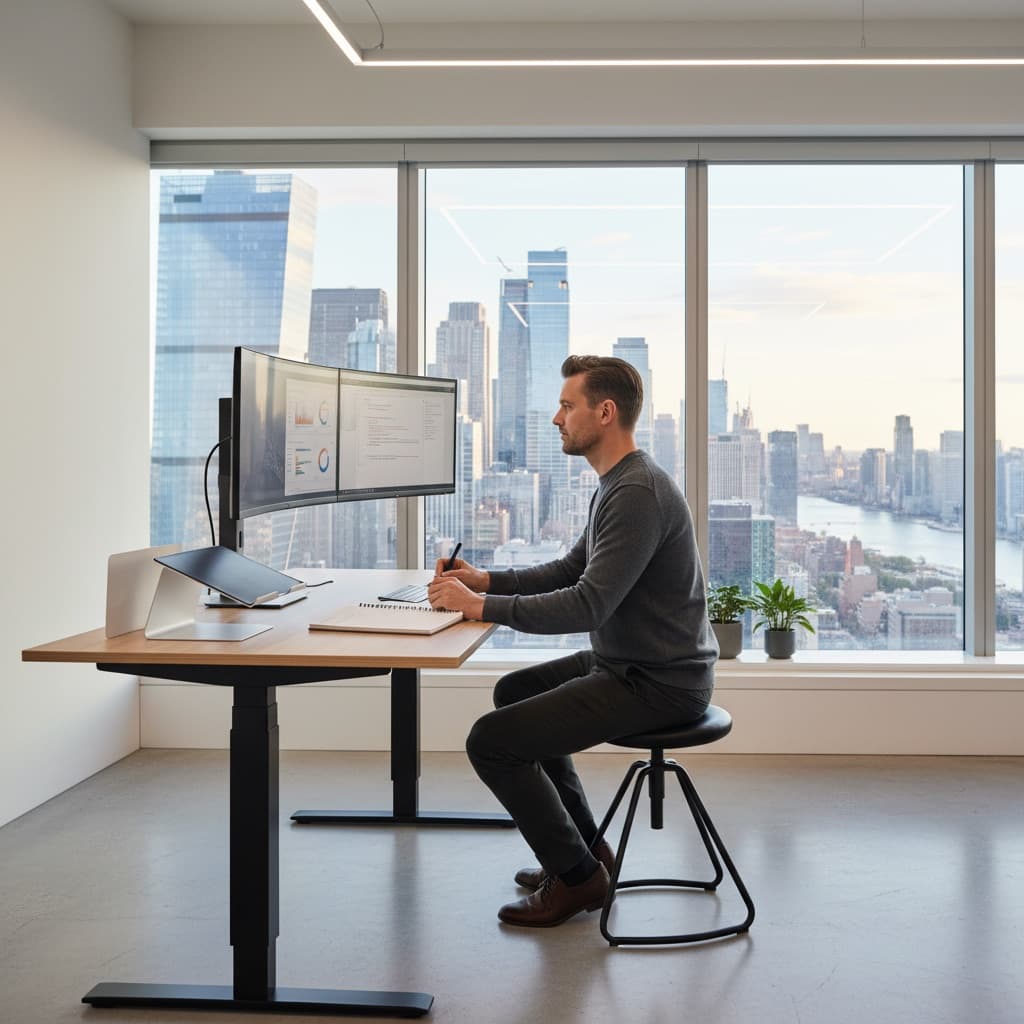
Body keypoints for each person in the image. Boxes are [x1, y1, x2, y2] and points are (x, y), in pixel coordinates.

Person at [427, 354, 718, 928]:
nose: (557, 419)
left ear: (604, 412)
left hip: (660, 681)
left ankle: (579, 880)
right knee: (515, 692)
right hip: (630, 662)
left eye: (567, 405)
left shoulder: (637, 492)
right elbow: (569, 570)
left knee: (491, 742)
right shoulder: (621, 482)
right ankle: (587, 855)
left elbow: (588, 603)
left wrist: (481, 607)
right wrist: (484, 580)